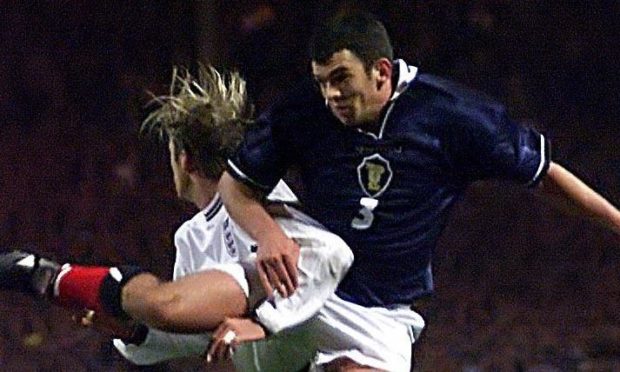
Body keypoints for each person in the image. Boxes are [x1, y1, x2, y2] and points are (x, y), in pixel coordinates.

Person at [219, 11, 620, 371]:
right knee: (175, 307)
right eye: (321, 82)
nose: (330, 96)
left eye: (341, 79)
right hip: (302, 286)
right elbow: (234, 185)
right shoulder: (302, 111)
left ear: (380, 70)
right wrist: (268, 234)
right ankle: (156, 330)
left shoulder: (451, 115)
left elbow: (543, 174)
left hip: (382, 315)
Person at [0, 65, 353, 370]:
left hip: (343, 357)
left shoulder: (261, 201)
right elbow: (194, 332)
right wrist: (135, 332)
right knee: (159, 306)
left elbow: (331, 253)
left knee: (160, 302)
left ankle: (44, 275)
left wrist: (264, 322)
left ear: (184, 160)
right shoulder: (193, 237)